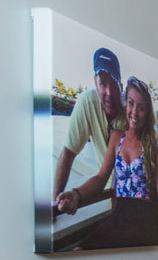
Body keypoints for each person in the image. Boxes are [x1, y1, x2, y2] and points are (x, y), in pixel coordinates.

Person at [56, 77, 158, 249]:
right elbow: (101, 178)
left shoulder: (153, 149)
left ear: (147, 113)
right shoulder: (116, 137)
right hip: (119, 217)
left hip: (144, 222)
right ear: (125, 104)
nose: (134, 112)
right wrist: (75, 194)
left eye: (141, 108)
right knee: (79, 250)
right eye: (131, 103)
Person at [54, 47, 127, 199]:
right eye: (103, 84)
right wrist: (56, 203)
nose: (109, 92)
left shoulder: (131, 113)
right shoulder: (87, 102)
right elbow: (68, 153)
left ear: (121, 86)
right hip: (105, 186)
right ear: (95, 82)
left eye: (113, 84)